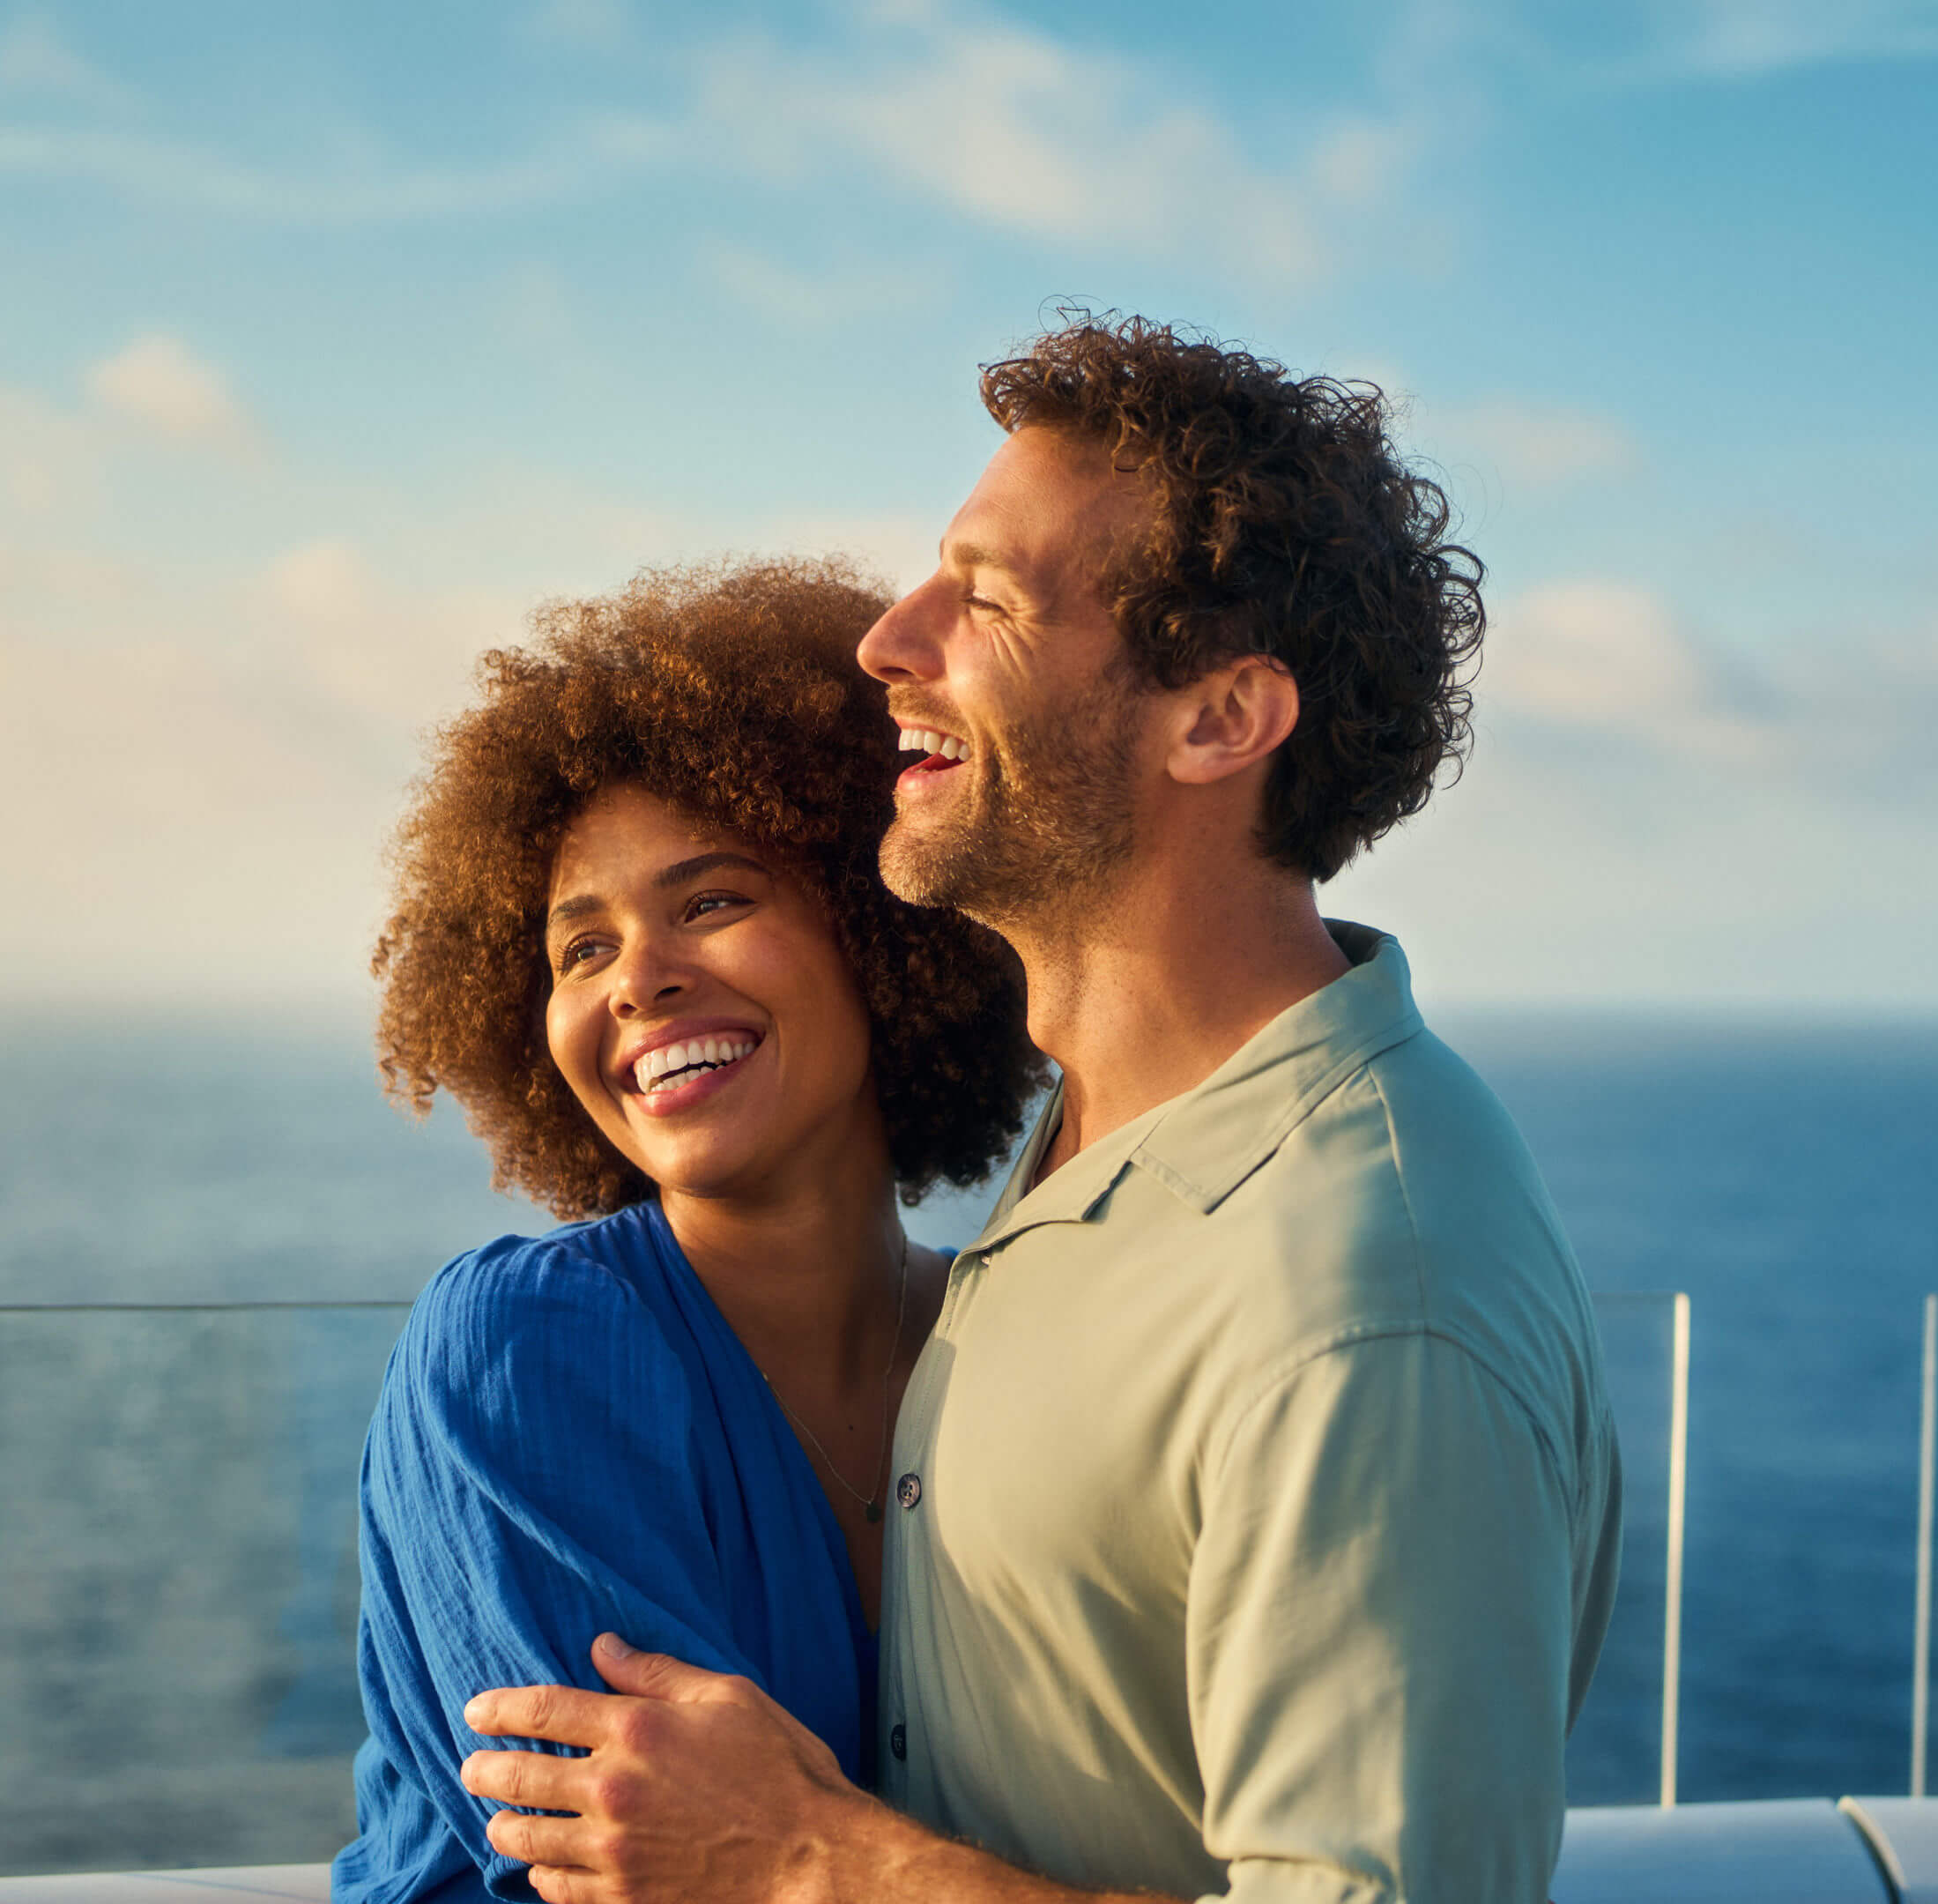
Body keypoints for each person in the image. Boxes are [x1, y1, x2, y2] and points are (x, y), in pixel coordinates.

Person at [459, 314, 1625, 1904]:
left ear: (1218, 720)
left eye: (984, 600)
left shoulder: (1363, 1299)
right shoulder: (1116, 1147)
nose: (887, 638)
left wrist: (811, 1862)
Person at [335, 556, 1046, 1904]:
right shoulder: (527, 1347)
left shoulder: (1012, 1329)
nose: (640, 980)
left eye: (712, 901)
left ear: (881, 920)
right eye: (578, 950)